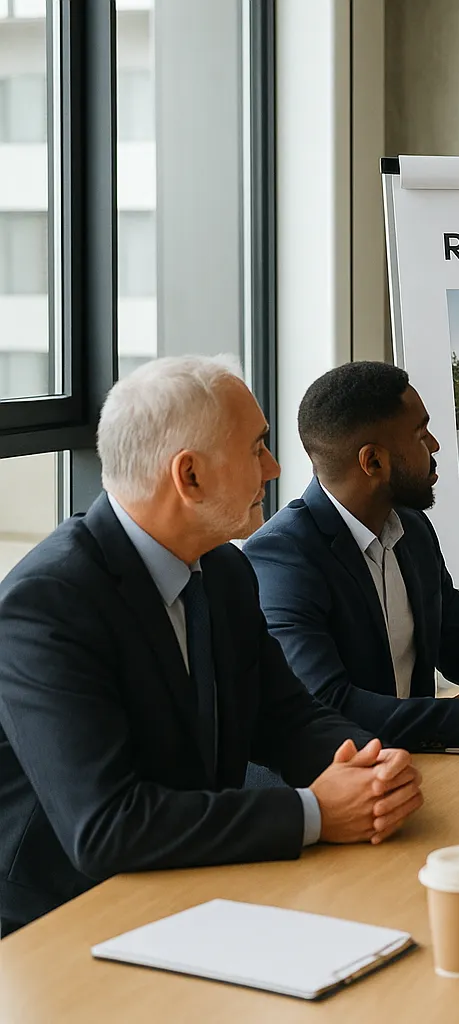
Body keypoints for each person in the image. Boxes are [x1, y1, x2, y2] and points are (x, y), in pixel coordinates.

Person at [0, 357, 424, 935]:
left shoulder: (224, 569)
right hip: (63, 920)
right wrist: (318, 812)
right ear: (190, 476)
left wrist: (368, 764)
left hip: (195, 882)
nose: (273, 468)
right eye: (256, 449)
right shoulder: (45, 603)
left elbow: (285, 716)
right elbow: (105, 827)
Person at [244, 361, 459, 752]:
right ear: (373, 461)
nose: (436, 445)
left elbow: (457, 637)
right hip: (335, 789)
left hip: (417, 763)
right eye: (421, 434)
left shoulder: (412, 528)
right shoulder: (281, 557)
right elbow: (328, 704)